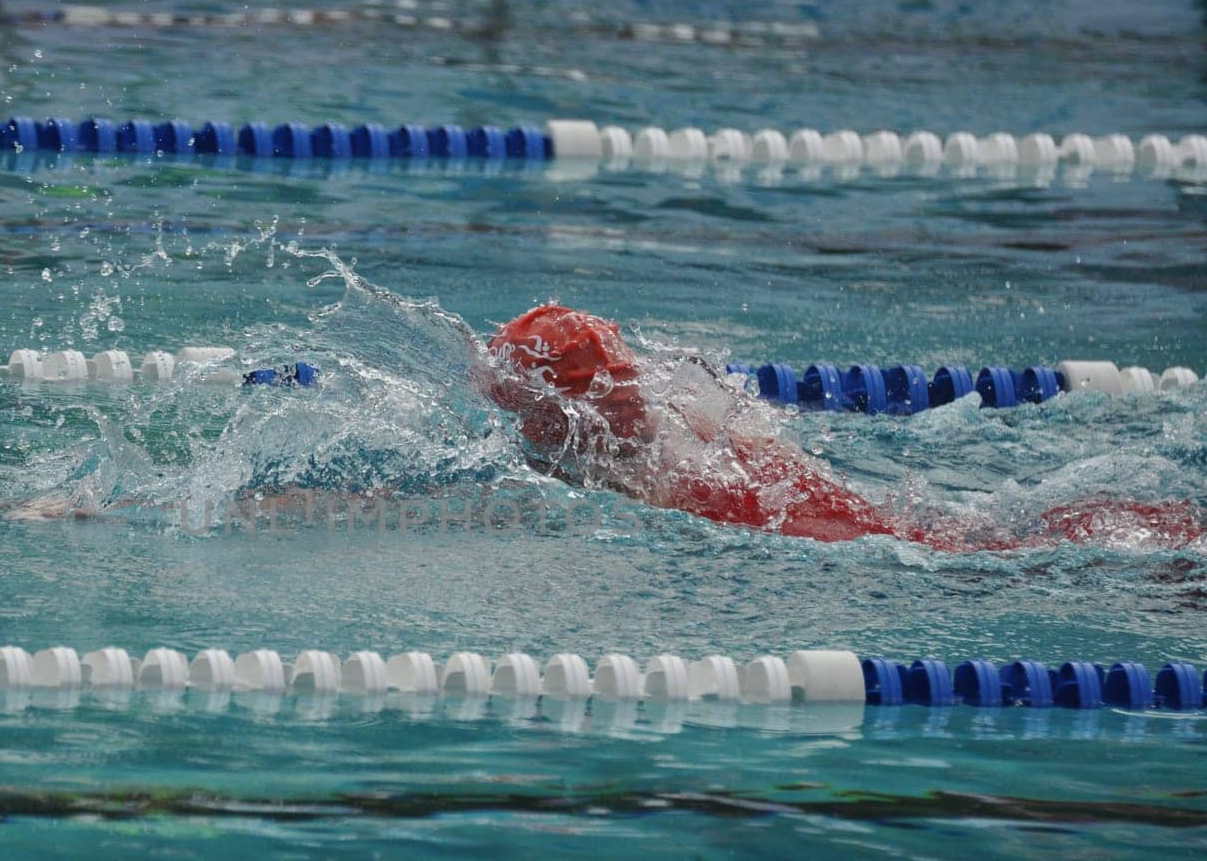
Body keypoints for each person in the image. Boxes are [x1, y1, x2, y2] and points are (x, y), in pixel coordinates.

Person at [482, 303, 1201, 549]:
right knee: (1001, 536)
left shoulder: (657, 484)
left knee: (1006, 552)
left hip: (883, 551)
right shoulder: (688, 418)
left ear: (560, 413)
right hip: (866, 513)